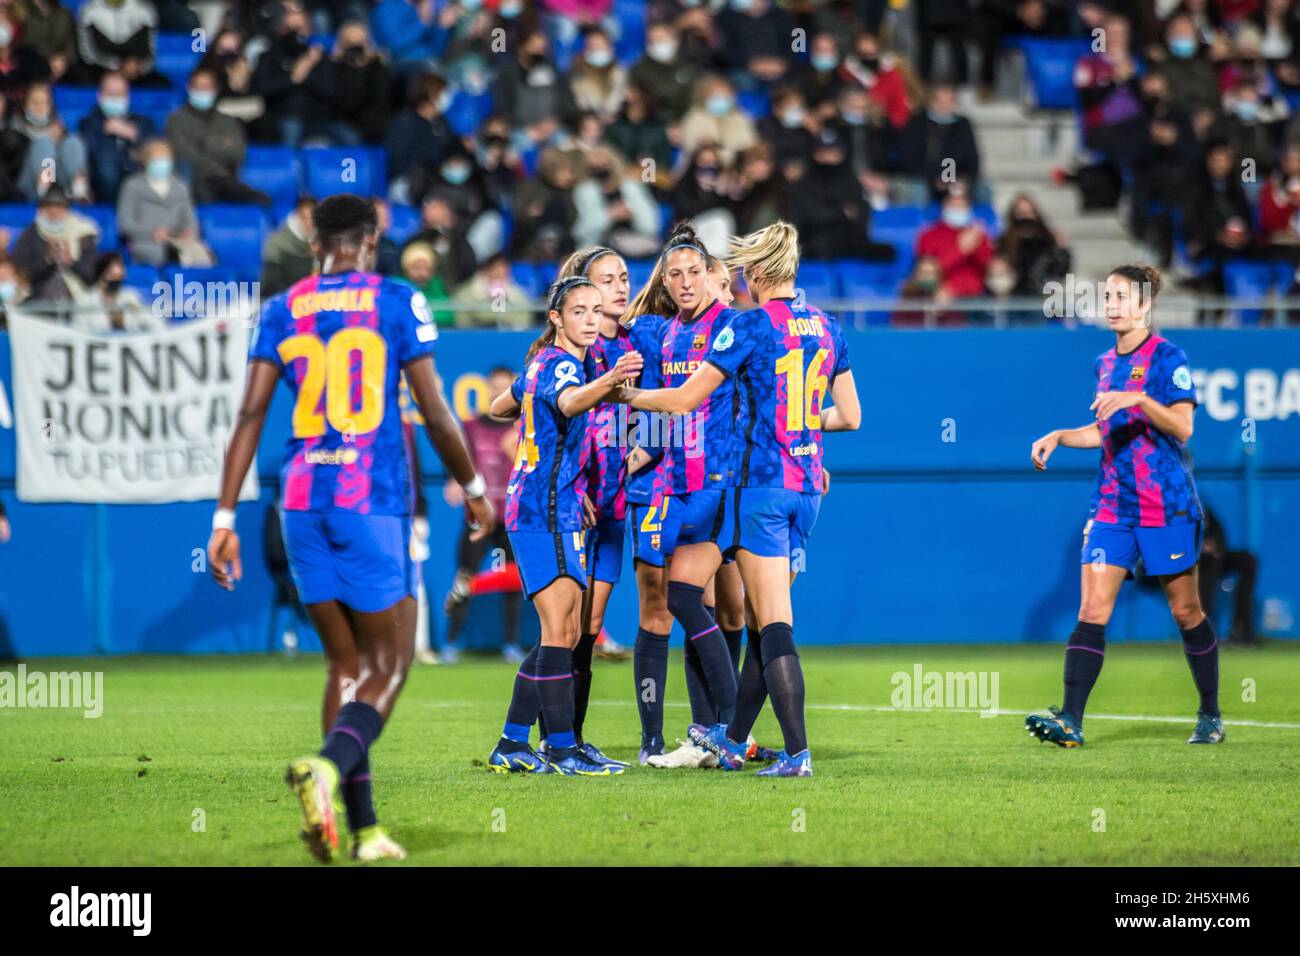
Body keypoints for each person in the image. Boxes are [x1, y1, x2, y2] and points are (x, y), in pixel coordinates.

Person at [207, 193, 496, 861]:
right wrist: (477, 488)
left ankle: (363, 831)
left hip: (301, 499)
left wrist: (224, 517)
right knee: (390, 664)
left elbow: (248, 418)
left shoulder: (282, 309)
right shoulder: (396, 300)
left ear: (314, 245)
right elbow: (436, 409)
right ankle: (328, 768)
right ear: (370, 244)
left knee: (343, 665)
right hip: (372, 499)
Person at [621, 221, 861, 777]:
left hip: (761, 492)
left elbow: (684, 399)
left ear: (753, 273)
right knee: (759, 621)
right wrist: (798, 422)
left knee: (772, 624)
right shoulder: (828, 326)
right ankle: (732, 738)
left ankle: (797, 753)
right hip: (807, 490)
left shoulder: (749, 325)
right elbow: (849, 417)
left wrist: (629, 392)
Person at [1026, 264, 1224, 749]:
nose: (1110, 304)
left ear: (1144, 303)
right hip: (1113, 504)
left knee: (1186, 611)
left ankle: (1210, 713)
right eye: (1107, 295)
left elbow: (1183, 427)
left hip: (1166, 506)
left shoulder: (1167, 358)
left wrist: (1138, 398)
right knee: (1092, 607)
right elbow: (1102, 430)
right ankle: (1071, 719)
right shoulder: (1103, 363)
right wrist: (1059, 436)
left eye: (1119, 296)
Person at [484, 275, 642, 775]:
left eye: (596, 310)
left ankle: (512, 741)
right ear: (556, 318)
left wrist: (531, 408)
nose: (592, 318)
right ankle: (561, 748)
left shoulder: (539, 366)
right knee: (559, 630)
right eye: (579, 310)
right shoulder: (561, 366)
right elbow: (571, 402)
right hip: (542, 510)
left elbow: (497, 406)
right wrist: (610, 382)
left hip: (553, 508)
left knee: (568, 629)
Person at [441, 366, 525, 663]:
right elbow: (458, 459)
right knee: (465, 576)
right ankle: (450, 644)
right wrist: (453, 479)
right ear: (488, 389)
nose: (499, 391)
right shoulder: (472, 426)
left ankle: (511, 643)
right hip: (478, 515)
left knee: (513, 580)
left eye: (506, 386)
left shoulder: (523, 427)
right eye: (495, 386)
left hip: (512, 516)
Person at [116, 139, 203, 267]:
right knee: (168, 255)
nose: (161, 164)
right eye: (156, 160)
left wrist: (188, 232)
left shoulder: (180, 187)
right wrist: (151, 233)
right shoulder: (132, 186)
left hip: (177, 240)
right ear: (145, 162)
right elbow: (125, 224)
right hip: (146, 241)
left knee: (200, 255)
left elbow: (191, 220)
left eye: (165, 160)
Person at [11, 186, 99, 303]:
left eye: (59, 207)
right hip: (37, 303)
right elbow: (20, 276)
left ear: (67, 210)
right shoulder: (29, 235)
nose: (53, 212)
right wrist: (46, 260)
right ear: (40, 210)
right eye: (48, 207)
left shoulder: (83, 234)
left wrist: (72, 262)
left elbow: (92, 276)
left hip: (77, 304)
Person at [78, 71, 154, 204]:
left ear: (127, 96)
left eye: (119, 94)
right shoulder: (89, 123)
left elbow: (154, 150)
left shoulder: (143, 123)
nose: (114, 99)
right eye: (110, 94)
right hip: (103, 183)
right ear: (100, 96)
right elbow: (91, 154)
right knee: (107, 167)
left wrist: (133, 135)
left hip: (135, 174)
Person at [73, 250, 160, 333]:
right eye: (111, 276)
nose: (115, 282)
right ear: (100, 277)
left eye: (119, 277)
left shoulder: (130, 297)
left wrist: (123, 323)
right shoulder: (85, 301)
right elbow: (79, 332)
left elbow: (153, 323)